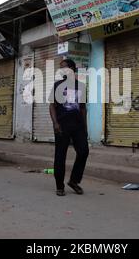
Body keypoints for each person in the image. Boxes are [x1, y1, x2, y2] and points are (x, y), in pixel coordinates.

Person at [49, 59, 89, 197]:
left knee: (83, 151)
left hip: (78, 125)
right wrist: (55, 123)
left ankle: (74, 181)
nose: (61, 71)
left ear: (72, 69)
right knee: (60, 155)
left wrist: (85, 127)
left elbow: (83, 108)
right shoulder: (57, 85)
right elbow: (52, 106)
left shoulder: (82, 87)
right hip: (62, 125)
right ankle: (59, 186)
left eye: (63, 68)